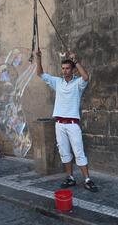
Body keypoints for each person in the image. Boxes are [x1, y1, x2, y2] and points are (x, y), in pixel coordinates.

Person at [36, 49, 98, 192]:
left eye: (67, 68)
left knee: (79, 152)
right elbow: (40, 73)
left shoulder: (78, 84)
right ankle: (70, 177)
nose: (64, 71)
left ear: (73, 69)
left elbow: (86, 77)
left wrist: (76, 60)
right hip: (59, 124)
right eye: (63, 68)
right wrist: (38, 58)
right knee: (64, 152)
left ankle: (88, 180)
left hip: (72, 124)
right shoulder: (57, 82)